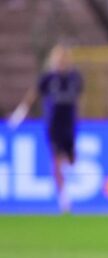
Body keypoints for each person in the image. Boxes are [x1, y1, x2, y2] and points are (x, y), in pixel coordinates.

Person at [9, 44, 83, 213]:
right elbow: (33, 94)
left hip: (69, 124)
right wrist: (20, 113)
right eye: (58, 59)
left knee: (72, 160)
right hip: (53, 125)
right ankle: (64, 199)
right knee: (56, 160)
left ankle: (67, 174)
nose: (61, 62)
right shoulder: (48, 78)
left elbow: (78, 99)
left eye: (64, 58)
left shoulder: (75, 78)